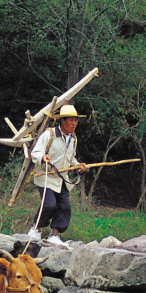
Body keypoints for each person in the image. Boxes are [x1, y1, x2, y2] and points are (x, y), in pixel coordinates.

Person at [27, 104, 87, 247]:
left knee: (65, 207)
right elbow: (35, 152)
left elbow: (70, 158)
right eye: (71, 120)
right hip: (46, 176)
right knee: (49, 205)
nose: (74, 124)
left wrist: (78, 166)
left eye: (76, 120)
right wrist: (43, 157)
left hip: (62, 179)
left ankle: (55, 234)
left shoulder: (73, 139)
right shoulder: (50, 134)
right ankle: (36, 229)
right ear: (63, 121)